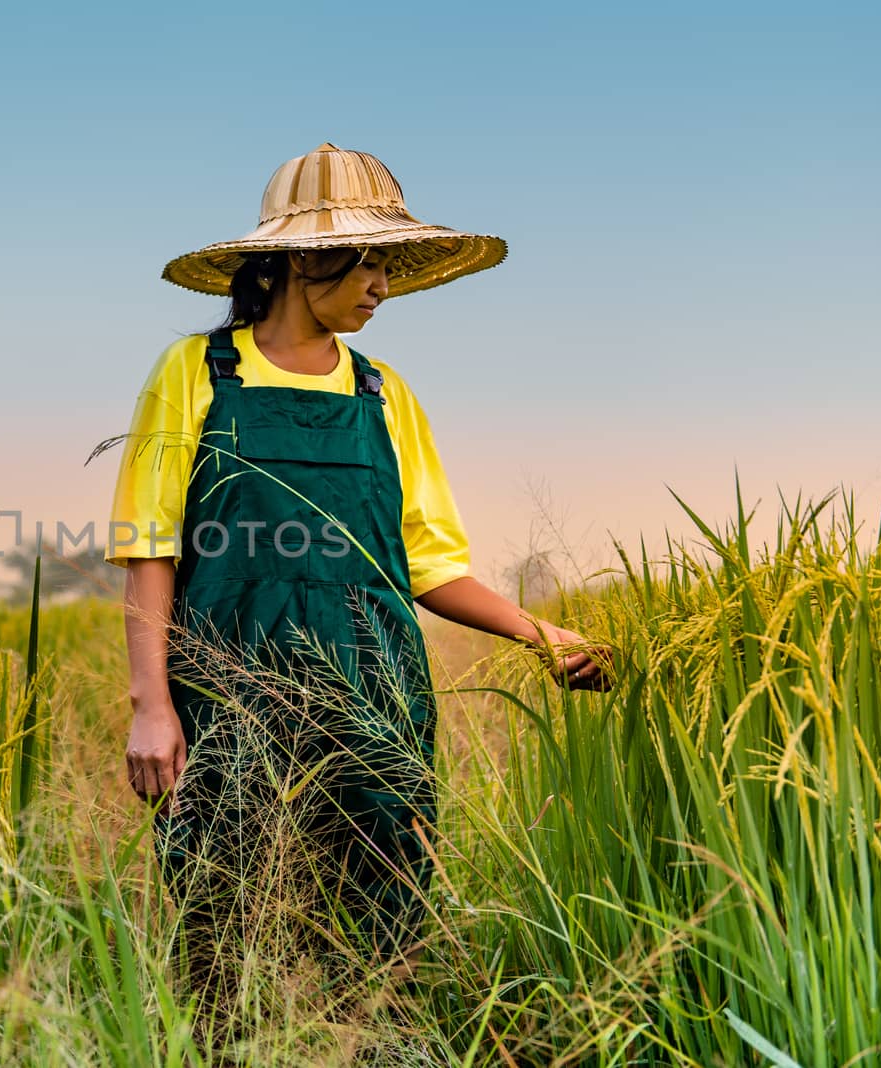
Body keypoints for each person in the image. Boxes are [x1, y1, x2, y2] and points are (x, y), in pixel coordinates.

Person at [104, 143, 612, 1018]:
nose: (381, 283)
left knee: (383, 933)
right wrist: (153, 704)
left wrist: (545, 636)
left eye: (388, 262)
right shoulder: (196, 374)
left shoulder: (386, 394)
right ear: (303, 259)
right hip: (231, 691)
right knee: (225, 931)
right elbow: (150, 547)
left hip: (375, 693)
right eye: (368, 260)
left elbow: (428, 564)